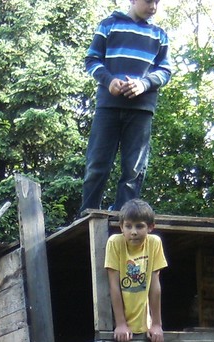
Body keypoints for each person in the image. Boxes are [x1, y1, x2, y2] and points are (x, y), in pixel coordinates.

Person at [80, 0, 171, 214]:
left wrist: (144, 83)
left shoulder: (159, 35)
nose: (154, 7)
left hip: (141, 110)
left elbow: (165, 71)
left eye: (157, 2)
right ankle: (87, 215)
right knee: (97, 164)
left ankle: (125, 218)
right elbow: (92, 60)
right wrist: (108, 80)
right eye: (149, 1)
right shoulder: (108, 25)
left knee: (134, 168)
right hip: (108, 107)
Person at [105, 199, 167, 342]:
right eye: (128, 226)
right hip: (118, 321)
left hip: (144, 323)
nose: (133, 232)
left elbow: (154, 285)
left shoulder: (154, 243)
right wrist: (120, 323)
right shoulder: (115, 242)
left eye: (139, 226)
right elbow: (114, 285)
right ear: (121, 227)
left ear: (151, 227)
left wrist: (157, 324)